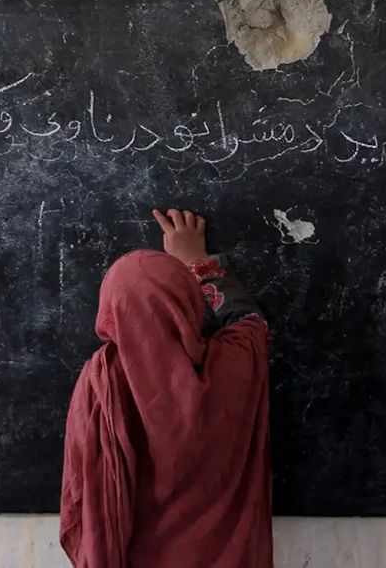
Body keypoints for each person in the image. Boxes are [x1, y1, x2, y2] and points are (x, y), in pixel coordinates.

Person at [59, 209, 272, 568]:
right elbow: (251, 323)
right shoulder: (232, 367)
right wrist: (198, 264)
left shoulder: (102, 379)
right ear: (187, 302)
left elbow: (85, 489)